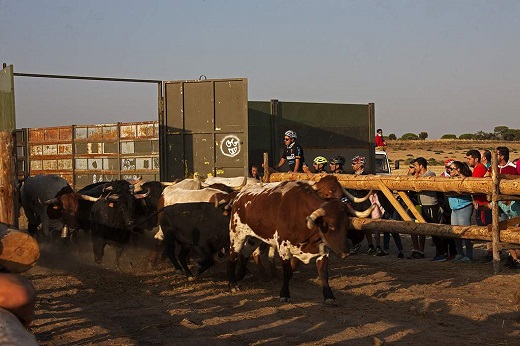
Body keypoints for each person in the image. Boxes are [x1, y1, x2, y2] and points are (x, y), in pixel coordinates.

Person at [408, 157, 438, 260]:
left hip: (429, 204)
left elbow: (422, 183)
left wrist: (416, 177)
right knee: (416, 226)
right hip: (419, 204)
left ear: (421, 166)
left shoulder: (430, 174)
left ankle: (433, 251)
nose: (414, 168)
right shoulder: (416, 175)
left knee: (431, 228)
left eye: (415, 166)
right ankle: (417, 250)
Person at [448, 160, 475, 262]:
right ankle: (460, 253)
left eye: (451, 169)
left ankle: (469, 255)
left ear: (458, 169)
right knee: (455, 232)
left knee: (465, 232)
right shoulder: (451, 180)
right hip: (454, 207)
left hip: (464, 206)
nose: (449, 171)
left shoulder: (465, 179)